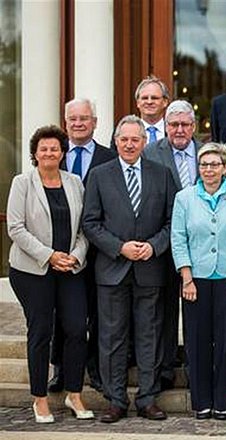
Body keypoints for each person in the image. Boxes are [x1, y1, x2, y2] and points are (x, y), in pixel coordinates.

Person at [82, 115, 177, 423]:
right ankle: (116, 399)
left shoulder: (161, 174)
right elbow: (90, 223)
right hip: (112, 269)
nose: (129, 144)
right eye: (124, 139)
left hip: (151, 268)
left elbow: (173, 219)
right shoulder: (99, 175)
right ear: (116, 141)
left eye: (135, 139)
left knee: (149, 335)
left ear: (144, 142)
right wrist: (118, 247)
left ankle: (148, 399)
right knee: (112, 338)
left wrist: (154, 246)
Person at [7, 125, 93, 423]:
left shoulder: (75, 183)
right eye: (43, 148)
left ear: (63, 152)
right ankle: (39, 398)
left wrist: (75, 256)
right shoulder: (23, 183)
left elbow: (84, 228)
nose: (49, 153)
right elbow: (15, 228)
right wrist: (49, 255)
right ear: (35, 153)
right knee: (41, 331)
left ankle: (74, 393)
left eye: (54, 148)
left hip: (70, 268)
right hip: (32, 270)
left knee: (75, 329)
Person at [171, 142, 226, 420]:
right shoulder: (184, 198)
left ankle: (222, 402)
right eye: (204, 164)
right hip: (195, 278)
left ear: (224, 168)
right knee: (196, 341)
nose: (209, 169)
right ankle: (202, 402)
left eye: (214, 164)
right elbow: (178, 239)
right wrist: (186, 276)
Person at [50, 98, 115, 394]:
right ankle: (62, 371)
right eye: (73, 119)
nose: (78, 123)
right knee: (63, 315)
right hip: (63, 251)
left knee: (99, 314)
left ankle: (96, 370)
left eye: (84, 118)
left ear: (95, 122)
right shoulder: (53, 156)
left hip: (100, 250)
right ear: (66, 122)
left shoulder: (109, 157)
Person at [142, 99, 203, 390]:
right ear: (165, 126)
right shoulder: (150, 153)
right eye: (173, 124)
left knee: (198, 310)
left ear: (194, 126)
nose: (179, 130)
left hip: (203, 246)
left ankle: (196, 369)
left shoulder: (208, 153)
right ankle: (164, 369)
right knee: (163, 311)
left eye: (185, 124)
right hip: (165, 243)